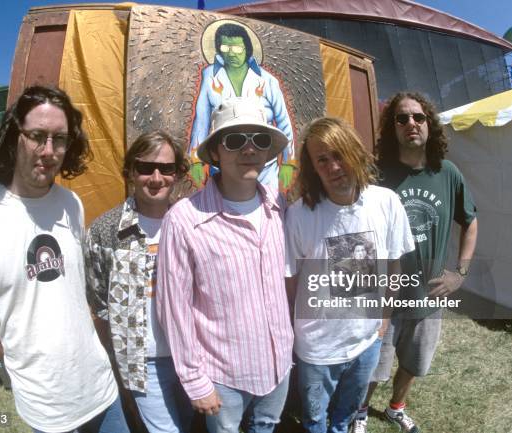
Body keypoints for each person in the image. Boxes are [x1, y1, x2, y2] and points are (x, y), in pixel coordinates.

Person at [0, 86, 128, 433]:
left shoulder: (71, 204)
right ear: (14, 137)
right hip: (44, 402)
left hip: (100, 387)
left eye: (59, 139)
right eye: (37, 136)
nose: (48, 151)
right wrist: (10, 357)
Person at [157, 97, 294, 433]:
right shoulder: (184, 220)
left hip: (278, 367)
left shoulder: (281, 206)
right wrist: (194, 380)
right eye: (235, 140)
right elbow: (174, 308)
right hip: (223, 376)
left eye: (259, 140)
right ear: (216, 151)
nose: (249, 149)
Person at [353, 92, 478, 433]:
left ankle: (396, 408)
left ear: (429, 125)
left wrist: (460, 274)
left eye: (418, 117)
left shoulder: (447, 173)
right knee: (375, 364)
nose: (411, 123)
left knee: (413, 362)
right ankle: (360, 412)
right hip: (385, 296)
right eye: (402, 118)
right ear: (392, 128)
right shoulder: (377, 174)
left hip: (429, 295)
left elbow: (470, 220)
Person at [285, 117, 415, 433]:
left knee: (345, 417)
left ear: (355, 152)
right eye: (322, 159)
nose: (333, 166)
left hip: (367, 341)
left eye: (339, 154)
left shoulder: (387, 202)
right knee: (315, 420)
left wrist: (384, 319)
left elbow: (394, 267)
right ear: (313, 167)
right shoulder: (300, 214)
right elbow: (290, 281)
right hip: (317, 348)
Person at [85, 130, 193, 433]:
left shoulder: (193, 223)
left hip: (191, 355)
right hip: (142, 360)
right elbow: (100, 304)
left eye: (167, 168)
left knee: (188, 423)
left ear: (178, 172)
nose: (156, 178)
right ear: (131, 171)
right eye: (146, 168)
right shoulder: (105, 231)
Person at [189, 22, 295, 190]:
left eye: (237, 48)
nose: (231, 54)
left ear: (248, 48)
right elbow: (202, 120)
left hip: (264, 168)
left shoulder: (267, 81)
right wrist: (195, 160)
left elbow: (283, 121)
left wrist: (289, 163)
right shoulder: (209, 76)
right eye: (225, 47)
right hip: (224, 165)